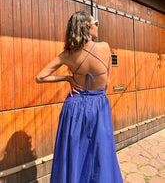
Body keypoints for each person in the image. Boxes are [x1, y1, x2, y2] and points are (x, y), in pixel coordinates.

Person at [36, 11, 123, 183]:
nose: (97, 25)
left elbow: (40, 77)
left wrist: (68, 78)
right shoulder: (105, 47)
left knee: (75, 152)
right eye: (95, 22)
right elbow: (106, 84)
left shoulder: (67, 55)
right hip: (98, 104)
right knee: (100, 152)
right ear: (86, 27)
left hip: (74, 107)